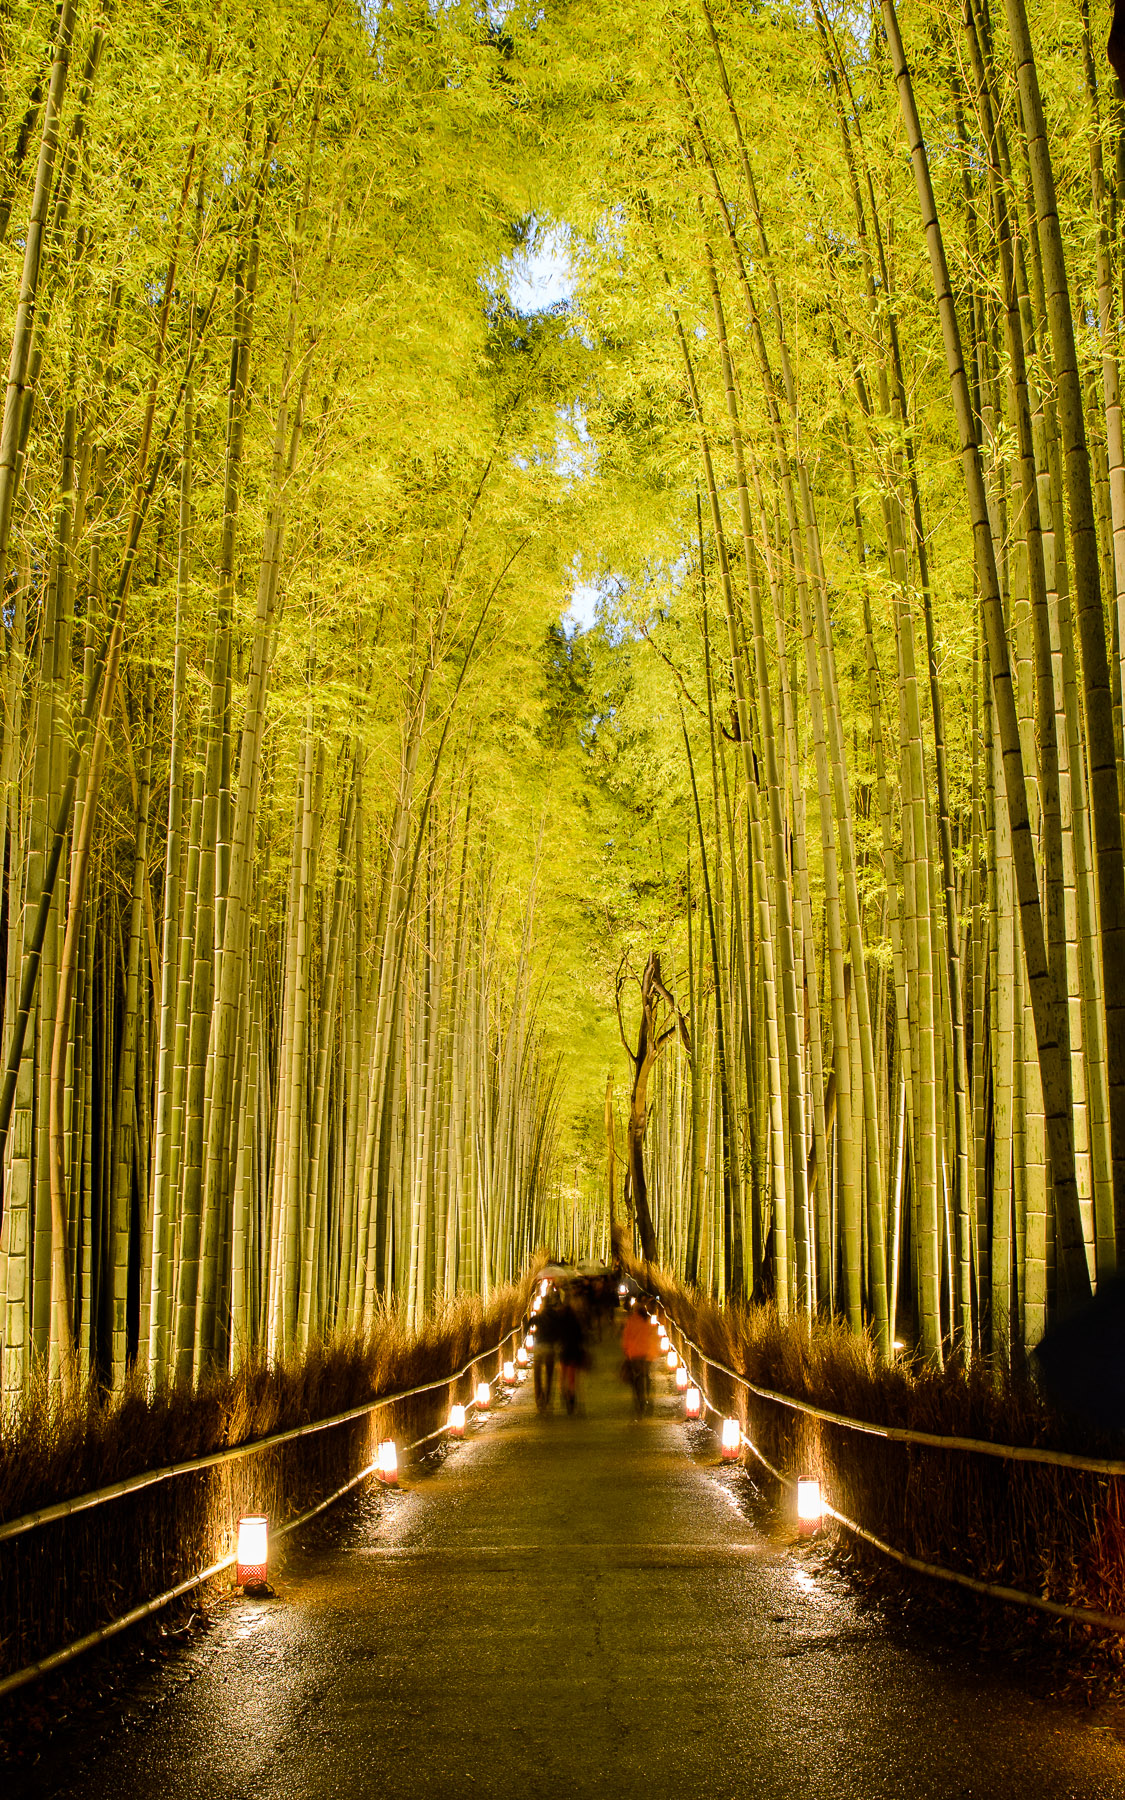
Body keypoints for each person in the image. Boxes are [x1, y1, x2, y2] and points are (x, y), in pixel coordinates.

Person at [621, 1304, 662, 1419]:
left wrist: (626, 1350)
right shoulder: (648, 1322)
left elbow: (626, 1336)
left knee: (636, 1378)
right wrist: (654, 1353)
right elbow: (653, 1338)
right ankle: (647, 1395)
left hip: (634, 1355)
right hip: (646, 1355)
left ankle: (638, 1400)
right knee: (646, 1375)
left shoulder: (631, 1321)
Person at [556, 1297, 588, 1416]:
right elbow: (582, 1338)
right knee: (572, 1377)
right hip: (574, 1353)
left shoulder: (561, 1324)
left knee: (562, 1375)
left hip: (564, 1353)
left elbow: (558, 1338)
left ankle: (563, 1392)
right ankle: (572, 1396)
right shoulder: (576, 1323)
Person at [533, 1292, 563, 1412]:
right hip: (550, 1348)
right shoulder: (556, 1317)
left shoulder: (539, 1316)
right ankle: (548, 1398)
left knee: (537, 1374)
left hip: (539, 1347)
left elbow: (529, 1324)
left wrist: (534, 1333)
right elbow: (560, 1332)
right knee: (550, 1375)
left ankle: (538, 1397)